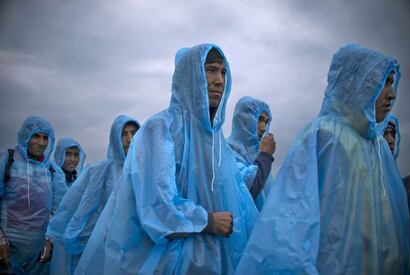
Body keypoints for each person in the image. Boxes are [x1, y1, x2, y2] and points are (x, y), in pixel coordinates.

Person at [75, 44, 258, 275]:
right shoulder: (160, 129)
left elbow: (236, 193)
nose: (219, 80)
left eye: (223, 72)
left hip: (212, 261)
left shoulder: (215, 140)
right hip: (168, 263)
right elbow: (156, 204)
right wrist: (207, 220)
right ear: (191, 75)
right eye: (210, 70)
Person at [236, 44, 410, 274]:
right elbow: (291, 225)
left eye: (391, 81)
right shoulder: (325, 137)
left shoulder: (378, 147)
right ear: (355, 83)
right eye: (381, 82)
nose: (392, 94)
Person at [45, 115, 139, 274]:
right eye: (123, 134)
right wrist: (60, 235)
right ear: (114, 137)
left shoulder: (145, 171)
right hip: (105, 248)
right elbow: (75, 207)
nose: (129, 139)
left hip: (135, 249)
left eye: (134, 133)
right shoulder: (100, 171)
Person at [0, 116, 66, 275]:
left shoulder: (51, 169)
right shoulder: (7, 159)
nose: (41, 142)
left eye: (45, 138)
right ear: (25, 136)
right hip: (7, 250)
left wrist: (50, 239)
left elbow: (60, 208)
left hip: (39, 255)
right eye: (36, 136)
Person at [227, 96, 276, 208]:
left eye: (266, 121)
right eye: (259, 119)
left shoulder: (258, 155)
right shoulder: (226, 152)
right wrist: (266, 156)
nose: (264, 128)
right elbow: (244, 194)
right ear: (242, 119)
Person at [47, 138, 86, 275]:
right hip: (55, 239)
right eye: (68, 154)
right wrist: (49, 237)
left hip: (74, 237)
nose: (72, 159)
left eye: (76, 155)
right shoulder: (50, 176)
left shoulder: (80, 179)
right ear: (59, 154)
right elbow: (46, 208)